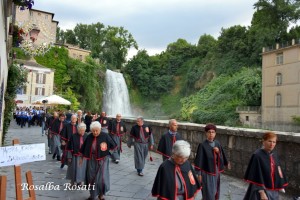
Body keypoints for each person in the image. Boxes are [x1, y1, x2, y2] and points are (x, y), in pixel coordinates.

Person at [243, 132, 288, 200]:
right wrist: (262, 193)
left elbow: (278, 170)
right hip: (261, 190)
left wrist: (280, 185)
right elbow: (256, 175)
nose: (272, 144)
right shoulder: (257, 155)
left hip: (274, 190)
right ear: (263, 141)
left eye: (274, 142)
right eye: (269, 141)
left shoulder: (274, 154)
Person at [79, 121, 117, 200]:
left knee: (101, 178)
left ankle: (101, 194)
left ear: (100, 129)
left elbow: (114, 146)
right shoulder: (89, 137)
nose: (95, 132)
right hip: (91, 160)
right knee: (91, 177)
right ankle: (92, 195)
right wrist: (81, 158)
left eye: (97, 130)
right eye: (93, 131)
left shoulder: (105, 136)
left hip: (102, 160)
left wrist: (108, 154)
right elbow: (84, 148)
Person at [194, 123, 230, 200]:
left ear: (215, 133)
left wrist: (218, 152)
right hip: (206, 173)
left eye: (213, 132)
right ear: (206, 133)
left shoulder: (217, 143)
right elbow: (199, 160)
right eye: (209, 132)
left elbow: (221, 156)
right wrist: (199, 175)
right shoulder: (202, 145)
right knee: (208, 193)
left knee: (215, 192)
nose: (211, 134)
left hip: (216, 172)